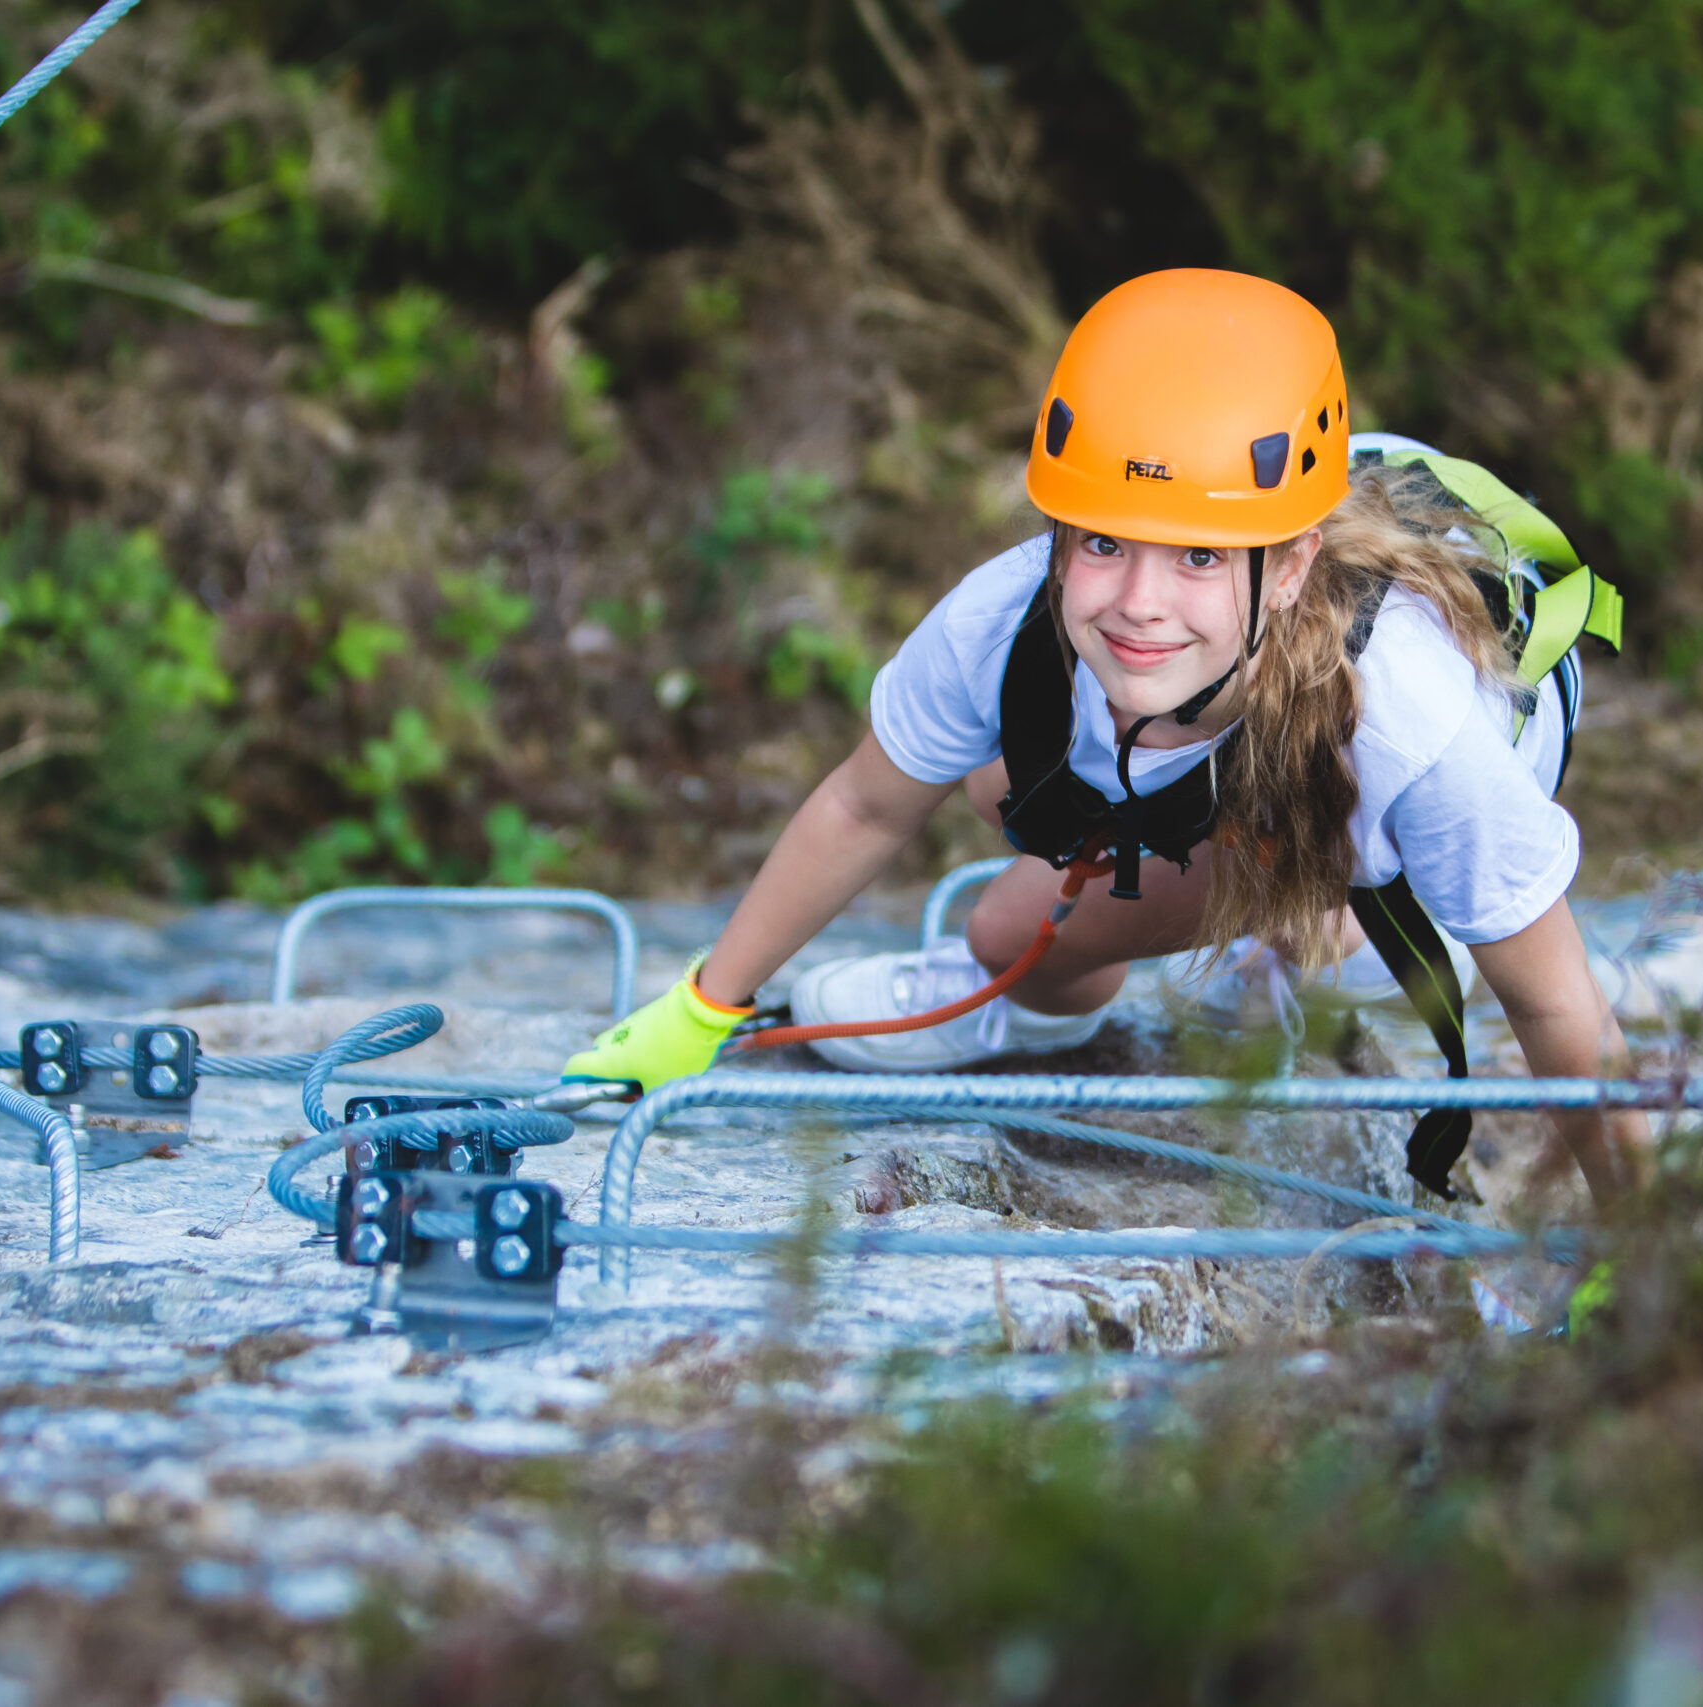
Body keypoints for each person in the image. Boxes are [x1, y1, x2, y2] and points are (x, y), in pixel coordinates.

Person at [566, 269, 1643, 1206]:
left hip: (1420, 771)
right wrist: (704, 1008)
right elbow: (864, 804)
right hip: (1244, 698)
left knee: (1086, 911)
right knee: (1005, 849)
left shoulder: (1412, 725)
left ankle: (1333, 929)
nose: (1138, 604)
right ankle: (1045, 1006)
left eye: (1198, 559)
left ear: (1294, 563)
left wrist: (1639, 1257)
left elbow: (1554, 1001)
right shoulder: (1003, 619)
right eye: (1102, 544)